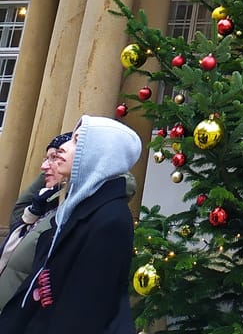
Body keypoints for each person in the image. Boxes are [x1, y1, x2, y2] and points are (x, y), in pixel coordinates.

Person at [0, 114, 142, 333]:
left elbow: (82, 312)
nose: (64, 148)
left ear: (101, 154)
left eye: (77, 140)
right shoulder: (76, 209)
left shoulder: (111, 219)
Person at [0, 132, 72, 307]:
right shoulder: (43, 204)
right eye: (45, 159)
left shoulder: (65, 211)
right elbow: (18, 215)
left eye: (56, 157)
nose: (43, 166)